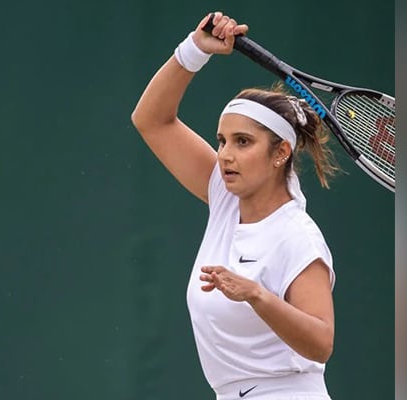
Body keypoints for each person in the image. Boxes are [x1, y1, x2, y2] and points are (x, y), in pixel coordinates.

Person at [130, 11, 338, 400]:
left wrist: (258, 296)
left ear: (280, 153)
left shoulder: (297, 236)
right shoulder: (226, 199)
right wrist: (194, 51)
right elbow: (152, 120)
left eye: (242, 142)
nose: (225, 155)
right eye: (222, 141)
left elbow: (321, 341)